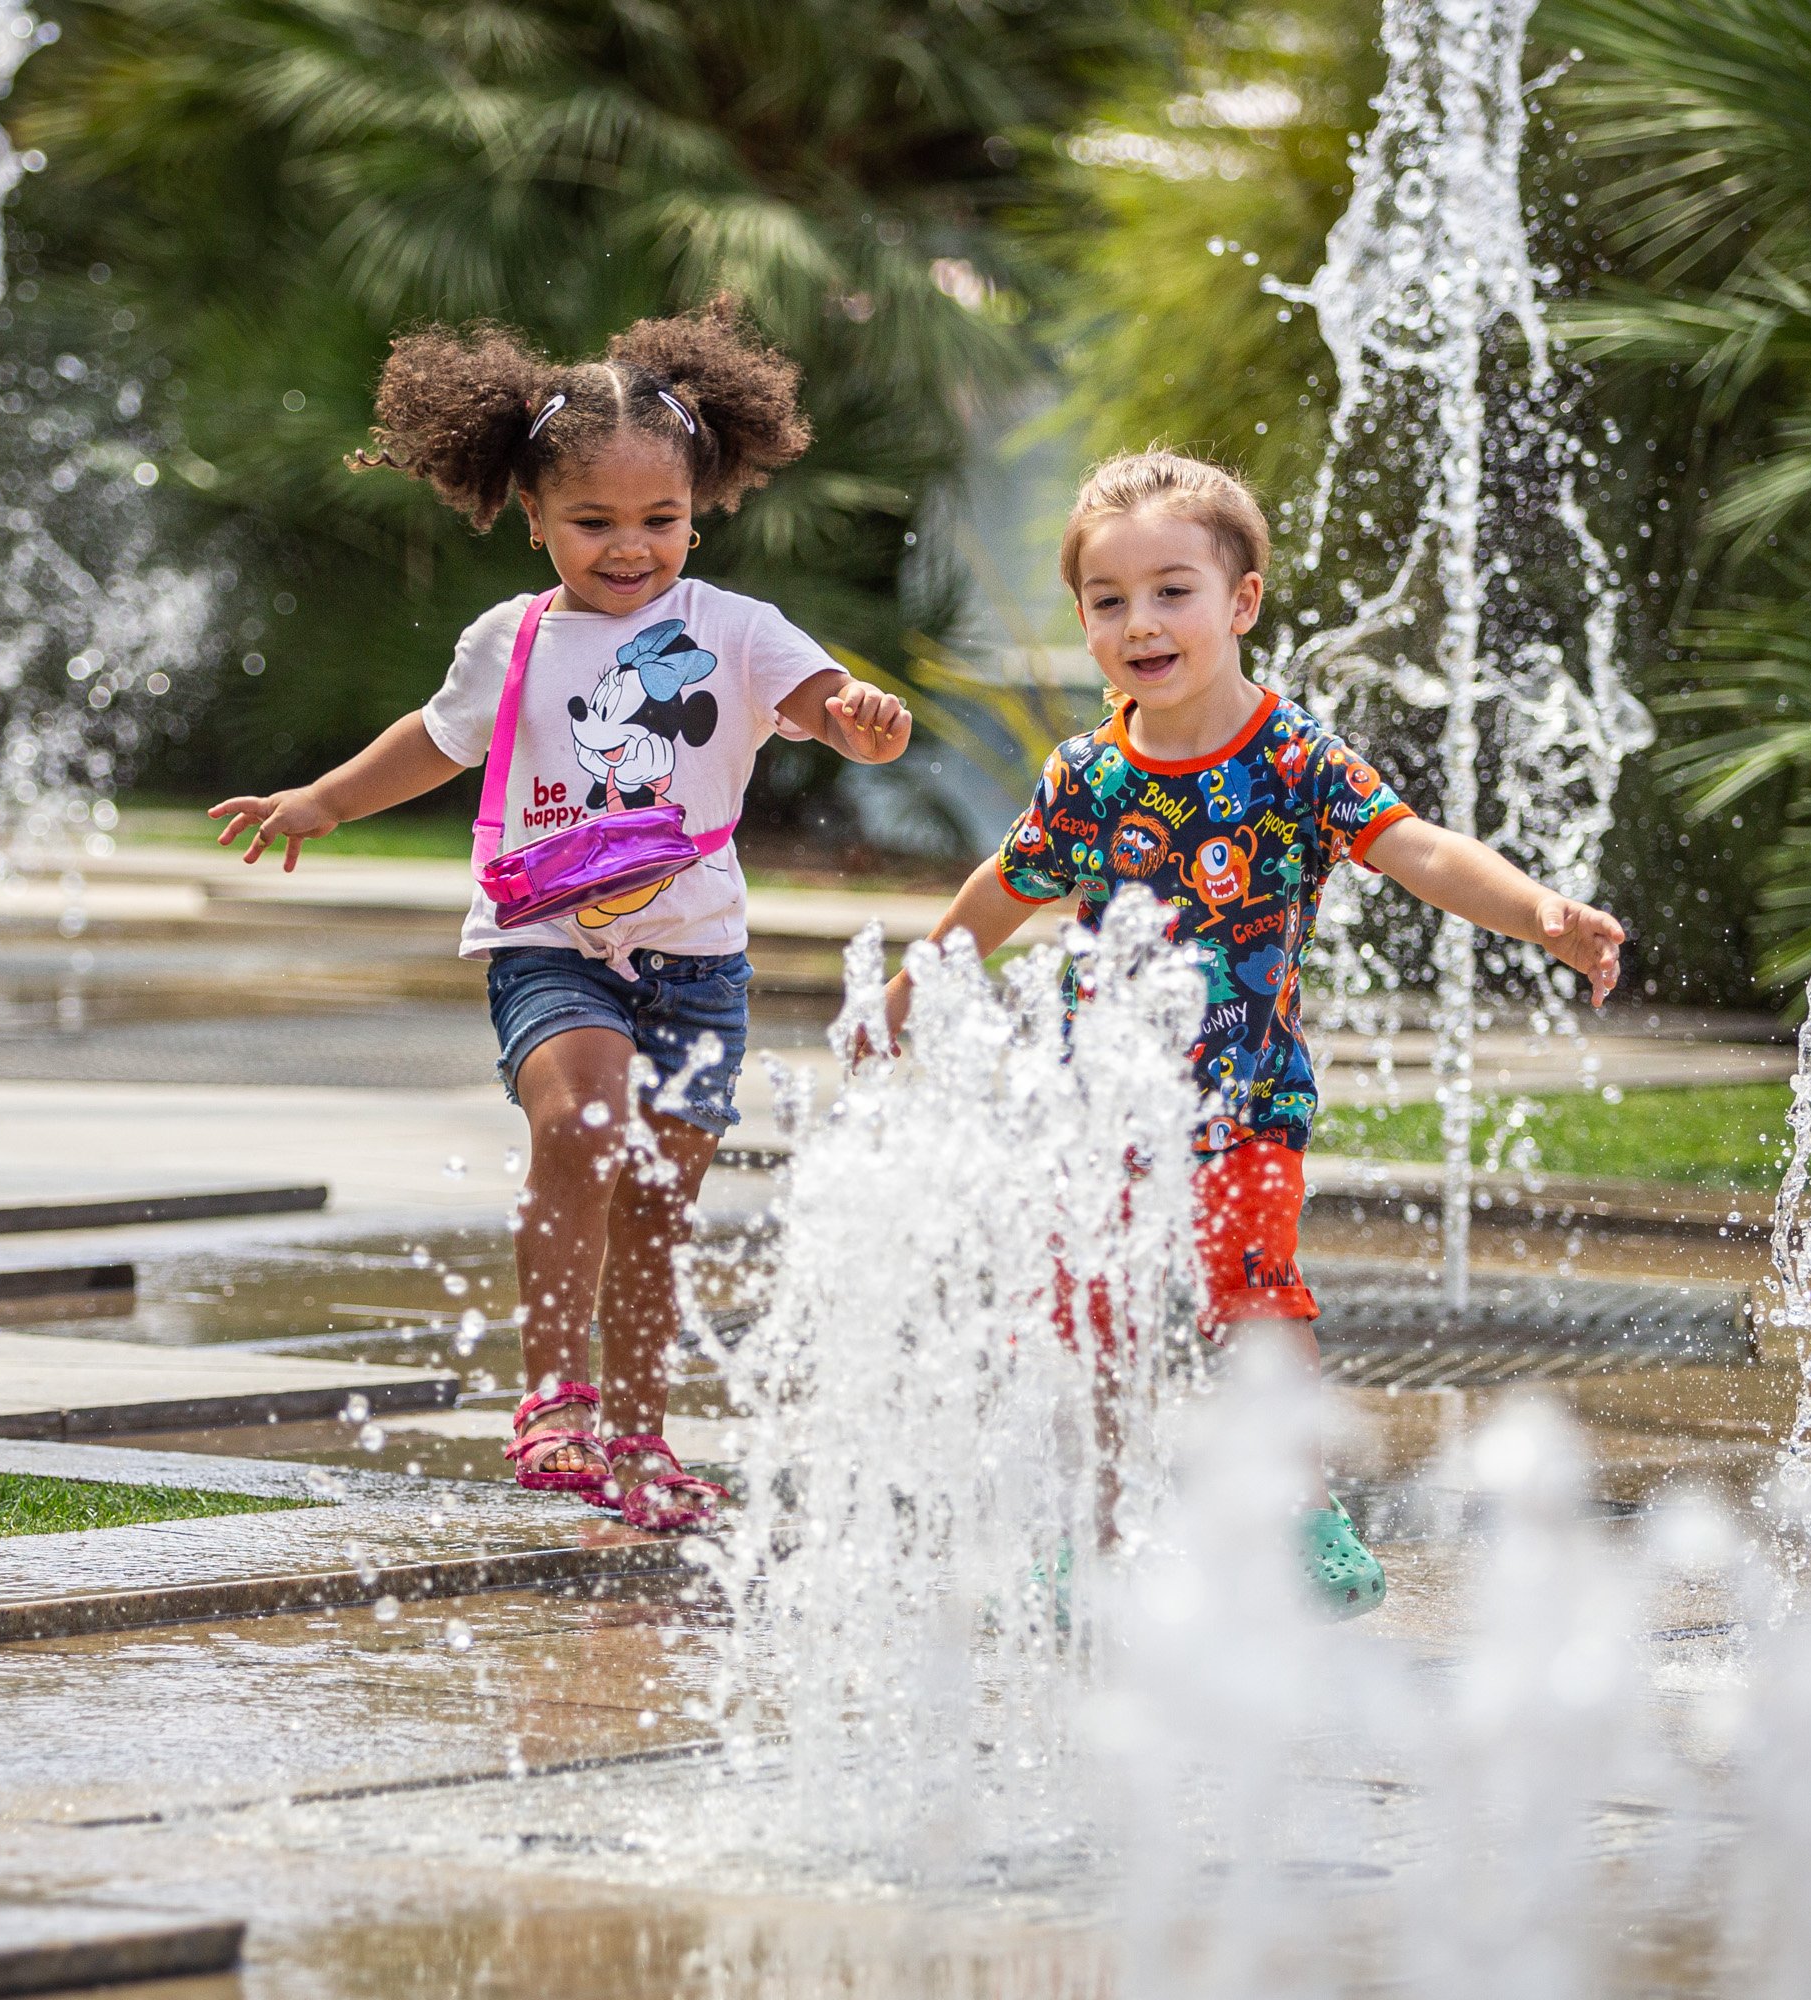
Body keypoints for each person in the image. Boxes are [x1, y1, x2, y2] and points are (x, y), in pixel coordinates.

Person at [880, 450, 1624, 1613]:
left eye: (1172, 590)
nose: (1141, 621)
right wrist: (921, 981)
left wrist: (1542, 913)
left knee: (1253, 1297)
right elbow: (1006, 882)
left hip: (1245, 1103)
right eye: (1109, 600)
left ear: (1241, 601)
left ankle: (1297, 1502)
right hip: (1105, 1110)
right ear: (1083, 617)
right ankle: (1101, 1527)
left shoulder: (1294, 759)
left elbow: (1418, 846)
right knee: (1096, 1314)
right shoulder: (1086, 773)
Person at [211, 302, 913, 1532]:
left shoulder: (734, 631)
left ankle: (641, 1433)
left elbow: (816, 692)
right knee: (582, 1125)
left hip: (695, 959)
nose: (632, 548)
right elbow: (434, 743)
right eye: (594, 522)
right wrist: (320, 800)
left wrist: (856, 710)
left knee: (658, 1196)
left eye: (662, 520)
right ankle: (555, 1399)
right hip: (548, 941)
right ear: (533, 517)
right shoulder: (512, 640)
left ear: (702, 509)